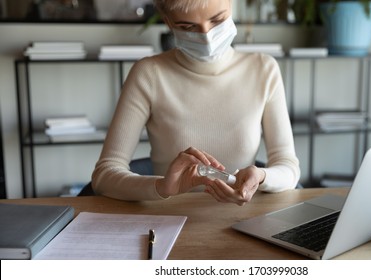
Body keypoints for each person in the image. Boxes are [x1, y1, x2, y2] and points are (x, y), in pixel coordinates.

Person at [91, 0, 300, 205]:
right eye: (188, 26)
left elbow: (288, 167)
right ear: (168, 22)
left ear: (231, 6)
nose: (207, 36)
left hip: (243, 219)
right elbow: (104, 175)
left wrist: (262, 177)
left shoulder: (263, 70)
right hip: (169, 223)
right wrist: (162, 187)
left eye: (217, 20)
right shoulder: (148, 74)